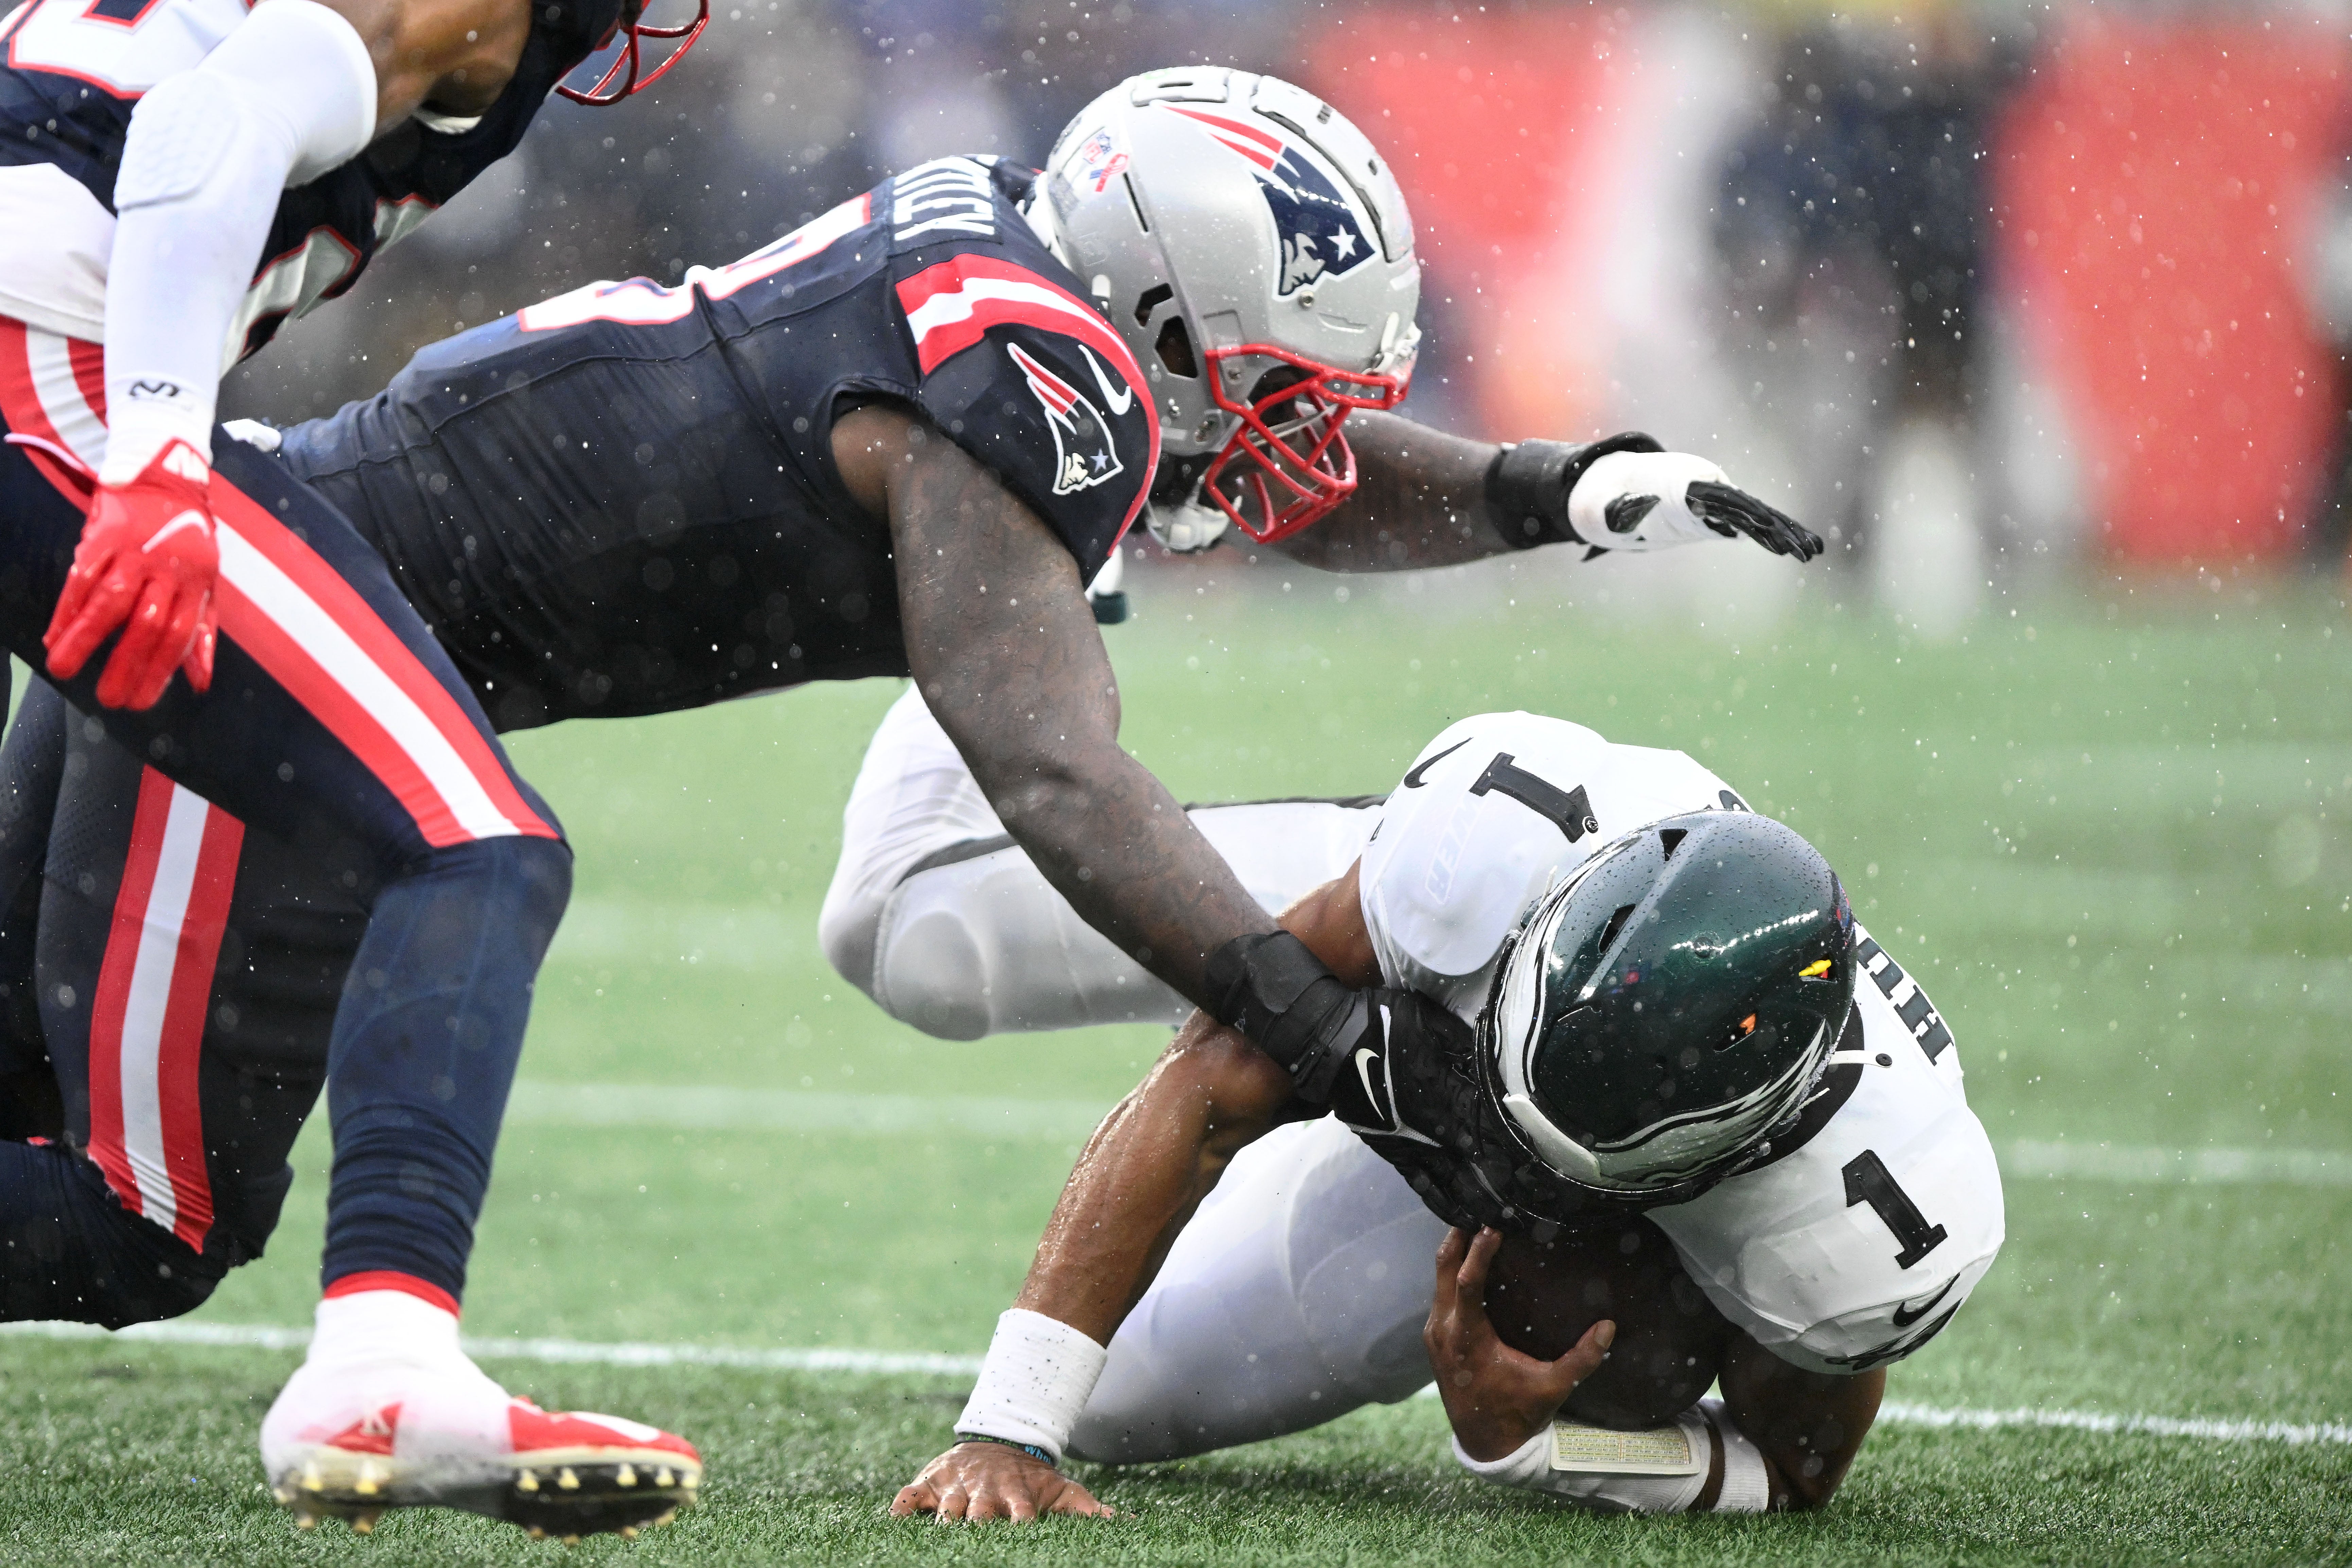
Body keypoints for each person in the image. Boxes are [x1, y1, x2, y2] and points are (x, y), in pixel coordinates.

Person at [0, 64, 1822, 1532]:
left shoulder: (1017, 275)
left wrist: (1536, 487)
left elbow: (1255, 471)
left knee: (37, 1109)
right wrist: (1305, 1015)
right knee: (142, 1218)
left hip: (283, 583)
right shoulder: (1019, 380)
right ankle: (388, 1358)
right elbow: (1045, 761)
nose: (1298, 443)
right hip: (272, 640)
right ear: (1159, 316)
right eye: (1273, 389)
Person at [0, 0, 711, 1540]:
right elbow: (214, 125)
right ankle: (383, 1361)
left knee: (21, 1082)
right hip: (34, 351)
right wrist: (154, 449)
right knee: (471, 842)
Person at [861, 698, 2004, 1519]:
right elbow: (1215, 1076)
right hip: (1398, 927)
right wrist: (1008, 1423)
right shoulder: (1488, 853)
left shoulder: (1863, 1209)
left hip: (1531, 1211)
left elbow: (1793, 1472)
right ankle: (1000, 608)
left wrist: (1538, 1447)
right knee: (928, 945)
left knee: (1124, 1407)